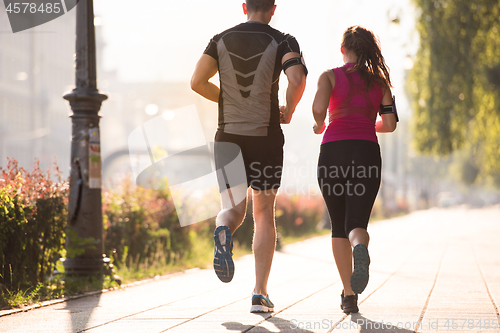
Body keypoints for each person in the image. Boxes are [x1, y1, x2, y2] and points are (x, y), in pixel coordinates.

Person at [191, 0, 307, 313]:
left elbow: (196, 82)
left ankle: (223, 231)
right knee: (262, 214)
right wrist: (289, 110)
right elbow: (296, 80)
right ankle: (259, 294)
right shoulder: (284, 40)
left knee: (231, 209)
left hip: (228, 137)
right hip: (265, 137)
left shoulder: (219, 39)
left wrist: (227, 102)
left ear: (244, 7)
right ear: (273, 8)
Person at [311, 26, 397, 314]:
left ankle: (349, 295)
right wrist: (364, 124)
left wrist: (320, 123)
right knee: (356, 223)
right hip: (366, 153)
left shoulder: (329, 76)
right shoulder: (380, 82)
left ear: (342, 49)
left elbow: (318, 109)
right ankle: (360, 245)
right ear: (369, 50)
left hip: (333, 151)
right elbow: (390, 125)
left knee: (337, 223)